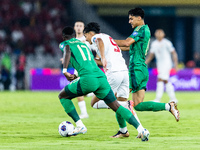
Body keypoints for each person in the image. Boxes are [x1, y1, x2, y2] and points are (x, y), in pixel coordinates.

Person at [58, 26, 150, 141]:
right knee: (116, 106)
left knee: (62, 96)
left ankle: (80, 126)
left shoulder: (65, 44)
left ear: (64, 37)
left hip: (88, 79)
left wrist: (65, 70)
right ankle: (141, 129)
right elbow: (89, 62)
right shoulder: (84, 44)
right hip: (101, 77)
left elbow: (67, 49)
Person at [114, 7, 180, 122]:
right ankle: (168, 106)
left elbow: (126, 42)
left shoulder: (141, 29)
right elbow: (128, 46)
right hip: (141, 69)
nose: (129, 21)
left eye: (131, 19)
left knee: (119, 98)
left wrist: (106, 40)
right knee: (138, 105)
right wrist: (110, 47)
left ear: (139, 18)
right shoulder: (144, 30)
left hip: (136, 69)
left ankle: (124, 130)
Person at [84, 22, 144, 138]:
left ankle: (125, 107)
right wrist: (93, 59)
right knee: (123, 103)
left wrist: (103, 57)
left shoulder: (98, 37)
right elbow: (101, 60)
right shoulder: (108, 37)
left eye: (86, 36)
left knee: (94, 103)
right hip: (124, 72)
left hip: (113, 74)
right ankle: (126, 130)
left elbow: (99, 43)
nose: (86, 40)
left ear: (91, 33)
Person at [145, 29, 178, 103]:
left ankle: (158, 99)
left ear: (163, 34)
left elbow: (174, 53)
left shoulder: (167, 43)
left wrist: (176, 64)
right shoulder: (154, 44)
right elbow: (151, 55)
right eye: (158, 33)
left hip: (167, 63)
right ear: (155, 34)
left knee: (160, 79)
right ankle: (173, 98)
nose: (159, 34)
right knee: (166, 81)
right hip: (160, 64)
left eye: (160, 33)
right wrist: (146, 62)